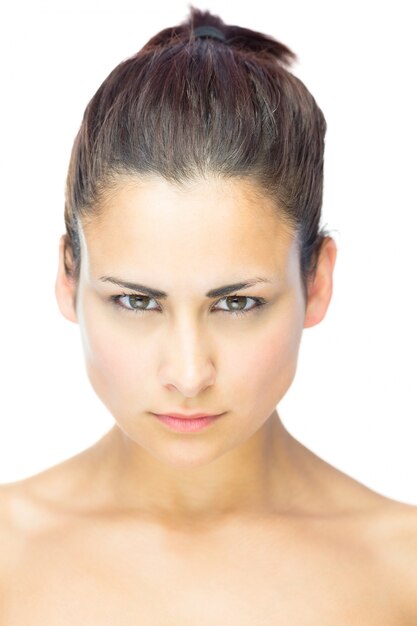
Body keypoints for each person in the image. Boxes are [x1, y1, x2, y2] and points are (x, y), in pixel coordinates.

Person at [0, 6, 416, 623]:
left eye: (237, 302)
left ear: (317, 281)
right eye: (137, 301)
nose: (189, 374)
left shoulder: (401, 571)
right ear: (68, 276)